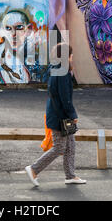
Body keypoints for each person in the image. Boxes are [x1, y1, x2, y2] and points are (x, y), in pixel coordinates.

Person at [25, 43, 86, 186]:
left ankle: (70, 176)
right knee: (59, 147)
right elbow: (64, 97)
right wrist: (73, 114)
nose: (72, 58)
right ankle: (34, 169)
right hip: (61, 116)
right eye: (71, 55)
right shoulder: (63, 71)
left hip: (58, 113)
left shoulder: (56, 69)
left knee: (70, 145)